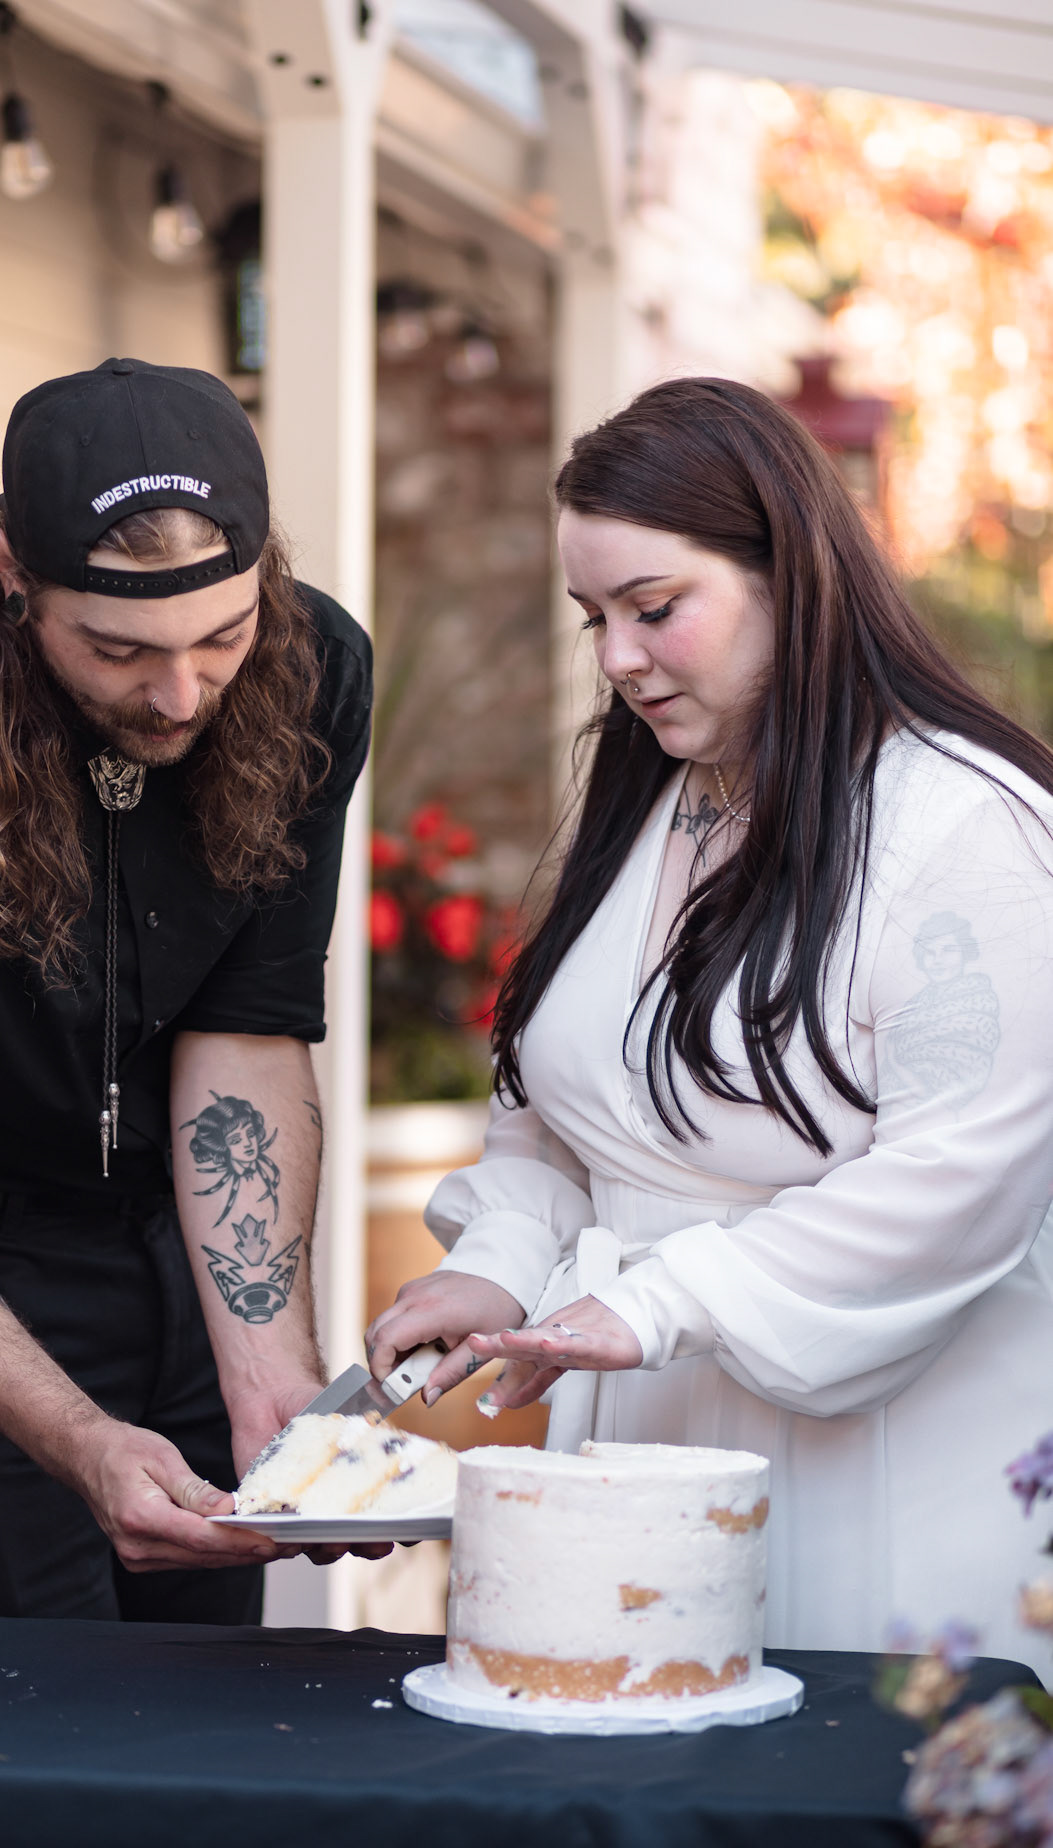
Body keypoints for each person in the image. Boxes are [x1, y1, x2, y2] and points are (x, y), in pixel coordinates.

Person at [367, 375, 1053, 1659]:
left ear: (790, 575)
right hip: (645, 1432)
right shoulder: (653, 797)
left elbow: (963, 1172)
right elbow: (567, 1111)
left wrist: (664, 1300)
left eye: (654, 608)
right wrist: (498, 1262)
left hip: (879, 1450)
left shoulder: (970, 823)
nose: (617, 659)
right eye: (595, 619)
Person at [0, 357, 381, 1622]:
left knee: (210, 1698)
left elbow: (247, 1035)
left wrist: (273, 1377)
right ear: (10, 573)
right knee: (33, 1707)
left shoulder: (315, 667)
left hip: (185, 1255)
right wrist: (81, 1437)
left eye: (222, 635)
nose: (181, 694)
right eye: (117, 647)